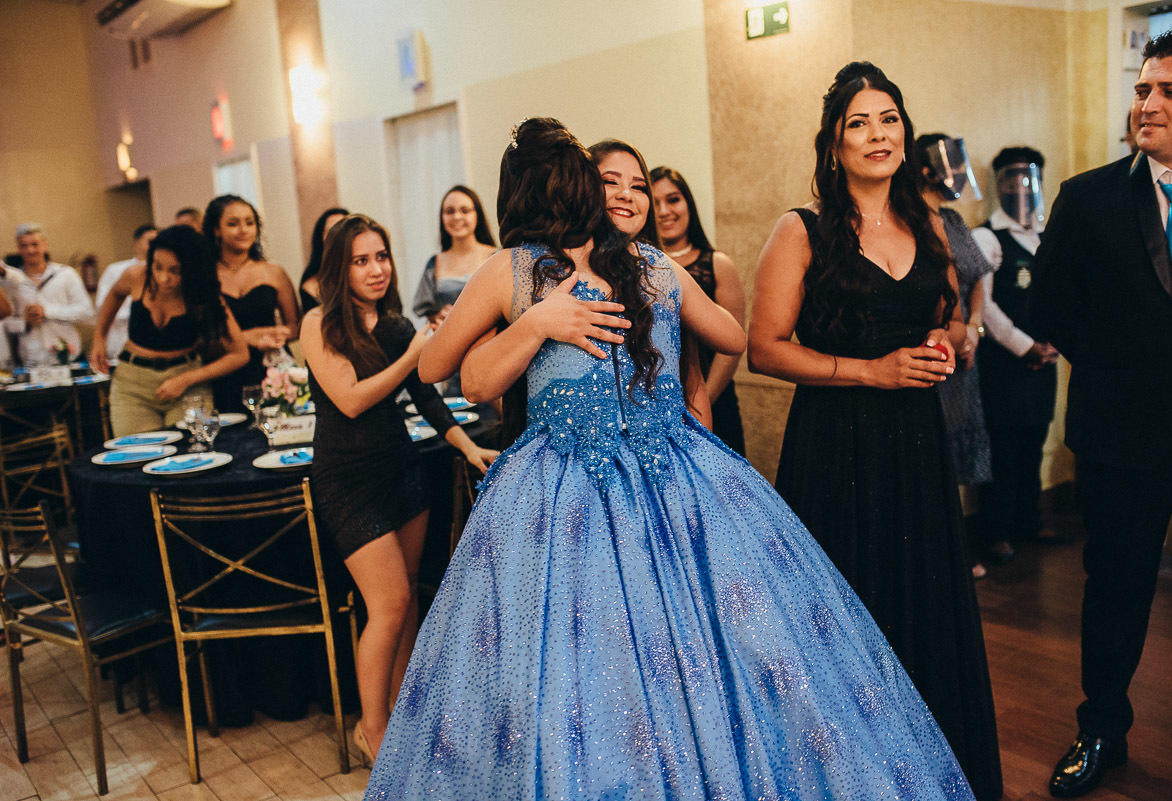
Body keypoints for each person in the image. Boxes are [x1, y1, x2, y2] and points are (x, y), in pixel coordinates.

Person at [362, 116, 974, 799]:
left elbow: (730, 334)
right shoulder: (544, 268)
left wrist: (661, 340)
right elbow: (446, 370)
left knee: (681, 648)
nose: (618, 195)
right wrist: (545, 324)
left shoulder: (622, 265)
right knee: (619, 655)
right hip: (594, 486)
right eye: (603, 181)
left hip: (642, 473)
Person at [747, 63, 1002, 800]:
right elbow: (764, 348)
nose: (877, 134)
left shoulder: (930, 224)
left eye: (888, 118)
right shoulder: (800, 230)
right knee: (846, 611)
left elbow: (951, 316)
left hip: (918, 446)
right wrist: (872, 371)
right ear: (834, 143)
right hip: (837, 445)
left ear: (905, 133)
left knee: (924, 604)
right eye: (858, 123)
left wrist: (951, 339)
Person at [1032, 27, 1172, 798]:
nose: (1148, 103)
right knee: (1114, 590)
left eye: (1171, 90)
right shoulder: (1087, 198)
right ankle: (1100, 728)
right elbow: (1051, 312)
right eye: (1142, 88)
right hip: (1120, 433)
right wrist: (1123, 370)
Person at [298, 214, 498, 766]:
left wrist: (467, 445)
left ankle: (402, 711)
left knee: (407, 598)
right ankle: (373, 730)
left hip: (402, 471)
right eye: (361, 260)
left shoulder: (394, 326)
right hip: (347, 480)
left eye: (382, 257)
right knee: (388, 604)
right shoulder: (318, 323)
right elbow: (351, 400)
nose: (376, 269)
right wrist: (414, 354)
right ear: (339, 268)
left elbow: (427, 396)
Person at [971, 146, 1061, 567]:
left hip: (1044, 363)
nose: (1021, 187)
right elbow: (984, 305)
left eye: (1029, 178)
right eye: (1012, 179)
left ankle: (1029, 520)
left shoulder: (1045, 236)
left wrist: (1055, 342)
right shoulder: (987, 237)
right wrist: (1025, 346)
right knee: (1002, 449)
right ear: (999, 183)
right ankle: (996, 531)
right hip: (1003, 364)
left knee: (1033, 444)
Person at [588, 139, 712, 428]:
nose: (626, 194)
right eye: (610, 181)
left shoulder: (662, 271)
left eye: (638, 187)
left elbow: (730, 341)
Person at [916, 133, 994, 581]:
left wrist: (974, 330)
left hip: (964, 351)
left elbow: (978, 275)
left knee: (957, 451)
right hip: (931, 347)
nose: (962, 176)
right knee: (931, 454)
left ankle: (957, 546)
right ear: (928, 170)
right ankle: (939, 553)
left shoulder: (953, 219)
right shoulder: (911, 219)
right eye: (956, 168)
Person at [89, 225, 249, 436]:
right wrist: (99, 337)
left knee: (193, 448)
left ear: (191, 269)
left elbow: (240, 354)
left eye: (175, 271)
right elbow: (115, 295)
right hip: (132, 384)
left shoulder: (202, 296)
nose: (163, 278)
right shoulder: (136, 276)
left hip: (187, 383)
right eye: (157, 267)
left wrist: (186, 379)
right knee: (137, 450)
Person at [651, 165, 746, 454]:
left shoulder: (717, 264)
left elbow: (732, 348)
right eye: (655, 202)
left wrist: (701, 405)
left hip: (713, 399)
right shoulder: (640, 268)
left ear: (688, 204)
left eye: (673, 199)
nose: (664, 211)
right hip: (655, 408)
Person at [201, 195, 301, 412]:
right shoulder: (205, 277)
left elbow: (295, 325)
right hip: (226, 371)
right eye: (233, 224)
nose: (243, 230)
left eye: (249, 222)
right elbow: (201, 339)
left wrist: (275, 335)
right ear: (216, 230)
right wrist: (245, 338)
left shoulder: (273, 272)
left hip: (271, 369)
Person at [412, 187, 496, 396]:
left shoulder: (496, 257)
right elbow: (429, 314)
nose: (457, 217)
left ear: (477, 215)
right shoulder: (435, 263)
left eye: (464, 210)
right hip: (451, 358)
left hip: (490, 350)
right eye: (449, 211)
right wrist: (439, 318)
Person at [9, 223, 94, 366]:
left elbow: (87, 312)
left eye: (35, 244)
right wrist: (25, 323)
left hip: (68, 357)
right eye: (24, 246)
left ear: (44, 245)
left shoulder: (65, 274)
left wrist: (47, 311)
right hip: (32, 361)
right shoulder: (12, 281)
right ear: (18, 248)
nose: (30, 250)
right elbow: (5, 323)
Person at [96, 224, 157, 363]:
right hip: (121, 339)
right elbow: (102, 305)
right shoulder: (116, 270)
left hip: (153, 342)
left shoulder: (162, 273)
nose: (155, 245)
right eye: (151, 241)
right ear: (137, 243)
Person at [298, 207, 349, 313]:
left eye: (344, 230)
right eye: (331, 231)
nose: (338, 236)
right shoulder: (311, 285)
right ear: (321, 238)